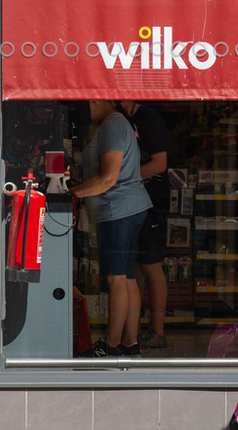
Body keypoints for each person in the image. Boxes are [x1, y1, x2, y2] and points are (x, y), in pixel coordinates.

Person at [72, 100, 152, 357]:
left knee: (115, 279)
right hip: (127, 209)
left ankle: (112, 344)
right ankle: (130, 343)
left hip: (119, 210)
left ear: (96, 98)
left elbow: (108, 178)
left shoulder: (113, 125)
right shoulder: (117, 124)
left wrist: (72, 193)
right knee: (127, 278)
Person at [120, 100, 169, 349]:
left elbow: (160, 163)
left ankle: (157, 331)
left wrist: (120, 179)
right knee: (136, 266)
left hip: (150, 200)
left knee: (151, 265)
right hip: (134, 198)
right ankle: (134, 330)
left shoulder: (148, 119)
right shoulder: (123, 118)